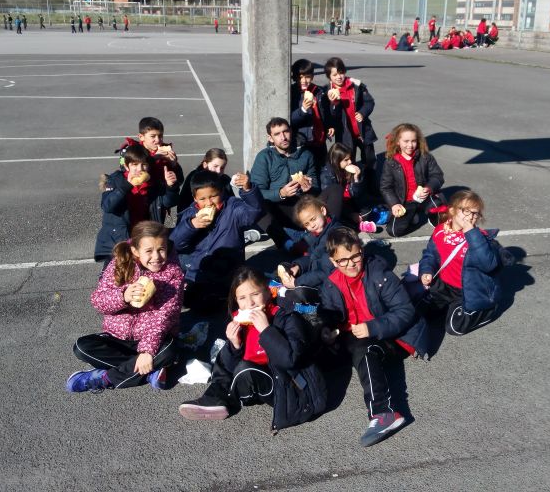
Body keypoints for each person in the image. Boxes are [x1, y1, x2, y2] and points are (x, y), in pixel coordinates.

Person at [317, 227, 427, 446]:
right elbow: (331, 313)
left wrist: (372, 327)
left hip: (393, 336)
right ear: (333, 261)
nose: (351, 264)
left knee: (363, 350)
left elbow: (405, 311)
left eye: (355, 256)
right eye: (343, 260)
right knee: (323, 347)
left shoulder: (380, 274)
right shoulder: (331, 283)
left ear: (362, 251)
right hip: (356, 334)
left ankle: (384, 413)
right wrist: (328, 329)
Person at [178, 266, 326, 429]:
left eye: (255, 294)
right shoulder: (241, 322)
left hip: (290, 388)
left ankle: (225, 401)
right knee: (228, 356)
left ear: (268, 292)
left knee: (245, 370)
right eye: (242, 298)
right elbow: (225, 368)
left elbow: (290, 360)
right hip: (258, 381)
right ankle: (213, 398)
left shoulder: (287, 318)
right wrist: (235, 345)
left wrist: (266, 330)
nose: (250, 303)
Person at [67, 220, 184, 392]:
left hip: (153, 338)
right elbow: (98, 301)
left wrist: (147, 351)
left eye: (161, 249)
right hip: (118, 337)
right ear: (135, 251)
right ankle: (149, 371)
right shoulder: (119, 264)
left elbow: (164, 317)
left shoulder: (173, 273)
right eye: (149, 251)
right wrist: (123, 296)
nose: (156, 257)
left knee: (169, 351)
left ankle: (104, 378)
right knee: (81, 347)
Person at [171, 170, 263, 312]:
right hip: (198, 271)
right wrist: (191, 226)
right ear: (195, 198)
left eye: (213, 196)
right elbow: (175, 244)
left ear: (221, 192)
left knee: (223, 301)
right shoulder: (190, 214)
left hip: (227, 270)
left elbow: (253, 213)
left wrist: (248, 189)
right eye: (202, 199)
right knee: (190, 302)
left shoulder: (232, 208)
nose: (209, 202)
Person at [417, 190, 503, 335]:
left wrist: (472, 234)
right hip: (444, 286)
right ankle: (449, 306)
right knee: (421, 313)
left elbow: (488, 265)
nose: (471, 217)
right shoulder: (440, 231)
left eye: (475, 213)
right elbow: (430, 254)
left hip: (467, 291)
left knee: (454, 327)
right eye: (466, 211)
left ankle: (487, 311)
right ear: (452, 210)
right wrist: (427, 270)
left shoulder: (480, 239)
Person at [93, 144, 180, 265]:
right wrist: (126, 186)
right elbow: (108, 206)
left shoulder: (154, 183)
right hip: (119, 239)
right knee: (116, 274)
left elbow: (169, 203)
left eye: (144, 164)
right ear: (126, 166)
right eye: (134, 164)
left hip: (145, 237)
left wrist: (171, 187)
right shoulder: (116, 180)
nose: (140, 169)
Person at [250, 117, 319, 254]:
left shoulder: (305, 154)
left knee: (335, 190)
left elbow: (316, 184)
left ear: (291, 131)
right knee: (256, 205)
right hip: (277, 209)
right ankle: (287, 243)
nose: (283, 137)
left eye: (285, 131)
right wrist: (281, 193)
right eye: (277, 134)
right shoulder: (264, 157)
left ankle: (322, 232)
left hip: (301, 206)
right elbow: (257, 191)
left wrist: (309, 188)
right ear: (270, 138)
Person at [380, 123, 446, 238]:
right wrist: (394, 204)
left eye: (413, 141)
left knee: (440, 214)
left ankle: (433, 218)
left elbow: (438, 175)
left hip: (424, 197)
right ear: (398, 142)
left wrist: (429, 188)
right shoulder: (391, 162)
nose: (410, 145)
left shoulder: (425, 157)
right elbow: (385, 187)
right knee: (393, 231)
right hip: (404, 201)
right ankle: (413, 217)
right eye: (406, 141)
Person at [324, 57, 379, 193]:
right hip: (345, 134)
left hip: (363, 131)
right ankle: (351, 190)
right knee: (349, 162)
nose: (339, 77)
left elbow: (369, 102)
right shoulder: (327, 92)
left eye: (341, 73)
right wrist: (334, 104)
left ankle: (372, 186)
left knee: (370, 160)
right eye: (334, 75)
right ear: (329, 76)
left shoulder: (356, 85)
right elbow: (329, 114)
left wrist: (363, 112)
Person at [116, 116, 184, 223]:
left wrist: (174, 165)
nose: (158, 140)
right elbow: (127, 174)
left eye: (160, 136)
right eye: (153, 136)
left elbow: (179, 180)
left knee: (156, 230)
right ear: (141, 137)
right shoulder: (131, 152)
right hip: (136, 202)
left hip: (159, 204)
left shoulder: (166, 153)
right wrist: (153, 159)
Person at [319, 142, 375, 232]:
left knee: (366, 213)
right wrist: (350, 214)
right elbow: (333, 202)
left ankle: (354, 223)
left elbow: (356, 194)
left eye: (350, 158)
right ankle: (352, 225)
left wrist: (356, 178)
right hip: (339, 206)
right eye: (346, 160)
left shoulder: (352, 169)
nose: (350, 162)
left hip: (350, 202)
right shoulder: (327, 175)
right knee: (346, 221)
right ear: (337, 160)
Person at [290, 58, 334, 168]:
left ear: (312, 76)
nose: (304, 81)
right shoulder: (292, 93)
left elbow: (325, 112)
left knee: (323, 169)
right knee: (307, 171)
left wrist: (329, 125)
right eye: (300, 77)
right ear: (295, 77)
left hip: (319, 140)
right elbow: (290, 120)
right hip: (303, 141)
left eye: (307, 77)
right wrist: (303, 110)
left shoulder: (319, 91)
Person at [177, 148, 233, 213]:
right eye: (215, 166)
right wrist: (191, 218)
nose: (218, 171)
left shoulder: (225, 180)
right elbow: (183, 204)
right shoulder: (194, 178)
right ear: (205, 165)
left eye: (222, 168)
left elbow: (232, 202)